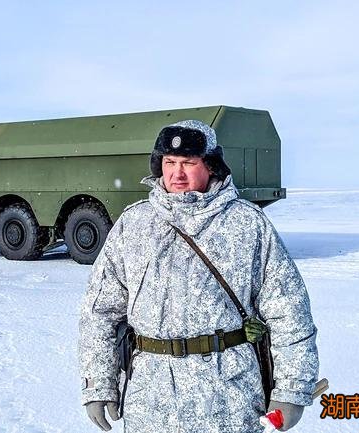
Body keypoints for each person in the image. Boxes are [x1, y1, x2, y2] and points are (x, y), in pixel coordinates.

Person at [78, 120, 319, 433]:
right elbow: (99, 313)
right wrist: (98, 384)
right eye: (169, 163)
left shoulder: (247, 224)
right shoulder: (133, 225)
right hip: (150, 400)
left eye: (188, 163)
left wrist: (291, 391)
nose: (177, 174)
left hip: (229, 400)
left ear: (211, 166)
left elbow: (289, 311)